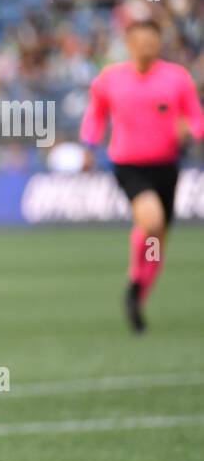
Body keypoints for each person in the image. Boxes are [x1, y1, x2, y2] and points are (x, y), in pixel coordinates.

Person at [80, 18, 204, 332]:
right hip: (129, 165)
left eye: (153, 40)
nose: (147, 46)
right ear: (130, 43)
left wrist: (190, 131)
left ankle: (136, 293)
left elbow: (196, 118)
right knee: (151, 222)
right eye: (141, 41)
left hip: (166, 166)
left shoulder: (177, 78)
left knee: (158, 242)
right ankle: (136, 281)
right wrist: (89, 148)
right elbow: (96, 115)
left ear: (160, 42)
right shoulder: (110, 79)